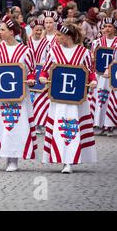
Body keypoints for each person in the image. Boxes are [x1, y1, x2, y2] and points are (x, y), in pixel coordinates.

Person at [0, 15, 37, 172]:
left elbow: (31, 71)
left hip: (19, 95)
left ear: (12, 32)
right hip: (2, 94)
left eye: (2, 29)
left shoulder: (25, 51)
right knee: (3, 124)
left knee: (17, 125)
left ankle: (15, 158)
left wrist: (31, 80)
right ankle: (7, 155)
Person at [39, 23, 97, 174]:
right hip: (58, 97)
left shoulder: (82, 52)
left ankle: (70, 160)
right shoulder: (54, 51)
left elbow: (90, 72)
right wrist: (42, 78)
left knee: (73, 127)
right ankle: (62, 158)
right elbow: (45, 70)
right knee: (59, 127)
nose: (56, 38)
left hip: (76, 99)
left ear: (68, 36)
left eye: (59, 35)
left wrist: (93, 81)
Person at [91, 17, 117, 136]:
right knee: (99, 97)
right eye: (105, 26)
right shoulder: (97, 42)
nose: (107, 29)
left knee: (113, 99)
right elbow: (93, 59)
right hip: (100, 75)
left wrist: (110, 68)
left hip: (114, 76)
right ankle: (98, 123)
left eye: (109, 26)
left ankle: (111, 124)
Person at [27, 18, 50, 135]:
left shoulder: (46, 43)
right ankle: (31, 123)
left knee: (41, 99)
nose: (39, 32)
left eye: (41, 30)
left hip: (41, 72)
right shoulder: (27, 41)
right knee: (30, 98)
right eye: (37, 30)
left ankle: (41, 123)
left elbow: (48, 57)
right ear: (32, 29)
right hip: (30, 72)